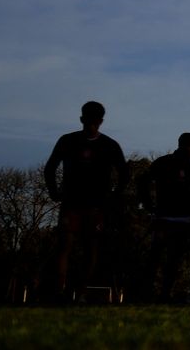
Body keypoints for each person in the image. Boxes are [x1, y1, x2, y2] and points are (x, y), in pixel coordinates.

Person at [44, 101, 129, 301]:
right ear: (82, 119)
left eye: (95, 121)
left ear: (100, 121)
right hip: (72, 203)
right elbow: (50, 167)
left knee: (90, 248)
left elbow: (124, 173)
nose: (91, 125)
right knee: (66, 245)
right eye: (88, 121)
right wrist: (53, 191)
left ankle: (79, 292)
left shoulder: (109, 145)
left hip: (96, 205)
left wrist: (115, 195)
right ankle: (60, 290)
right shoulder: (68, 141)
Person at [137, 132, 190, 302]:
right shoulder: (163, 163)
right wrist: (148, 204)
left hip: (183, 220)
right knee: (156, 257)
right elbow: (143, 181)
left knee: (174, 258)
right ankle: (147, 292)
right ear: (182, 145)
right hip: (164, 218)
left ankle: (165, 293)